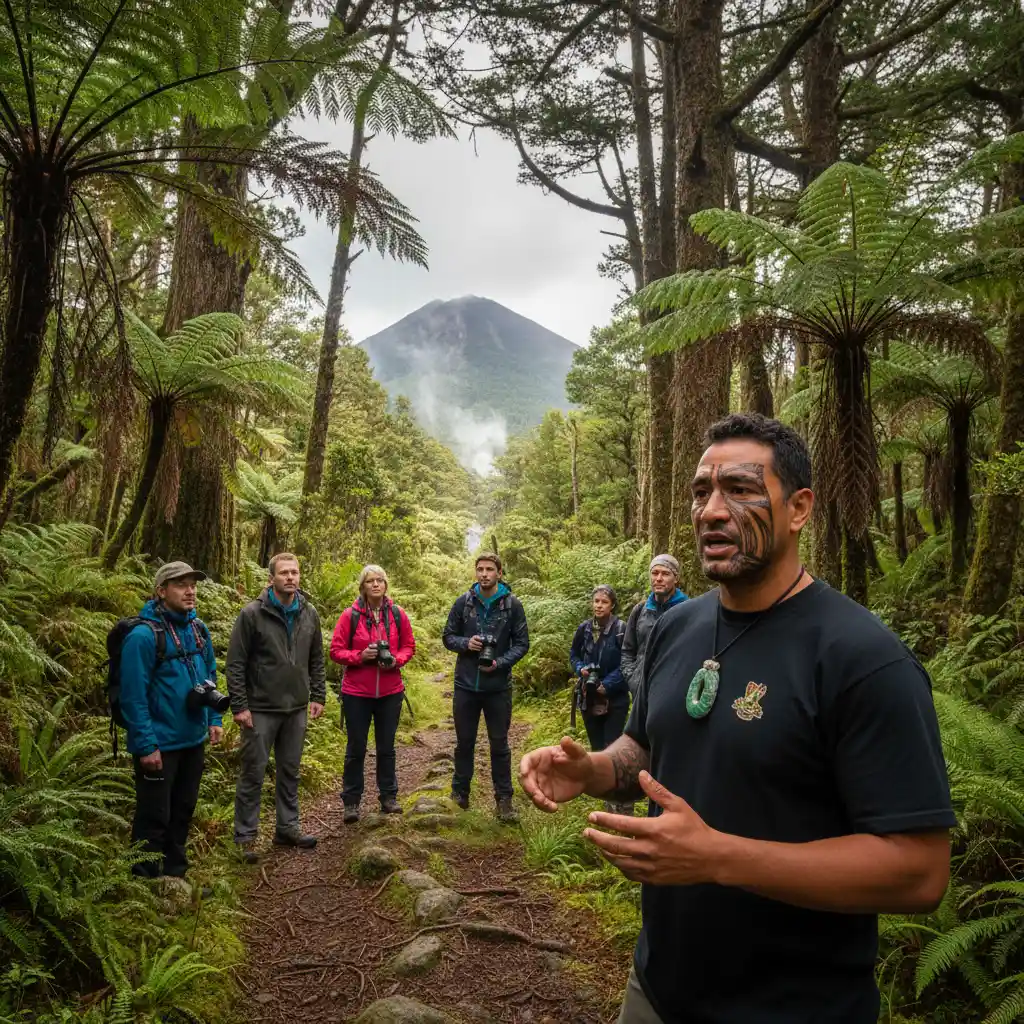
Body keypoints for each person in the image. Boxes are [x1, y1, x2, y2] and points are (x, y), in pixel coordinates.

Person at [519, 412, 955, 1024]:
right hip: (655, 990)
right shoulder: (677, 626)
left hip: (794, 1009)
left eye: (741, 490)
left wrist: (717, 857)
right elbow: (646, 745)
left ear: (799, 508)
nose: (711, 511)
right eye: (702, 492)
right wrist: (591, 769)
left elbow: (919, 872)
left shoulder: (862, 658)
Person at [120, 562, 222, 885]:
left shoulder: (198, 629)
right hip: (159, 746)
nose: (190, 590)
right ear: (161, 591)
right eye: (181, 585)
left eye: (193, 584)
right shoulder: (143, 637)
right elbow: (133, 697)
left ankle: (175, 878)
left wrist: (214, 718)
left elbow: (210, 676)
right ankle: (144, 886)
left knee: (182, 812)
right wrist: (147, 745)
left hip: (193, 741)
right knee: (154, 817)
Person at [227, 553, 326, 861]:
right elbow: (236, 663)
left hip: (295, 707)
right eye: (283, 573)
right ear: (271, 578)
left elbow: (316, 659)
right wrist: (240, 706)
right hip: (259, 709)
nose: (290, 577)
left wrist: (318, 695)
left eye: (294, 572)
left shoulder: (309, 613)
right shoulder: (252, 614)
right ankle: (245, 837)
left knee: (290, 770)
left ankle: (287, 827)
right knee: (253, 773)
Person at [443, 552, 529, 823]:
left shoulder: (512, 605)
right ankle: (460, 794)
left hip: (498, 686)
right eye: (480, 569)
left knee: (500, 744)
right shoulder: (463, 602)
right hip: (466, 684)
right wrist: (466, 644)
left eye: (489, 569)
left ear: (499, 573)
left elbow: (522, 643)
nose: (484, 574)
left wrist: (500, 663)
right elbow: (447, 636)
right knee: (464, 742)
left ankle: (504, 800)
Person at [329, 564, 415, 824]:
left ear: (386, 585)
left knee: (386, 747)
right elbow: (335, 650)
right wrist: (359, 657)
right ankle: (351, 802)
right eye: (370, 581)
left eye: (380, 580)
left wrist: (396, 660)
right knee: (356, 747)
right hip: (357, 692)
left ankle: (388, 797)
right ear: (362, 586)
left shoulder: (398, 615)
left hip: (390, 691)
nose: (376, 585)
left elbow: (408, 646)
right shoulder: (350, 616)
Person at [619, 554, 686, 695]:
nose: (659, 578)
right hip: (641, 691)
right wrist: (633, 679)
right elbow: (628, 650)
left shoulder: (688, 609)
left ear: (676, 578)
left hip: (674, 693)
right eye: (655, 573)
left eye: (665, 574)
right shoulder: (640, 610)